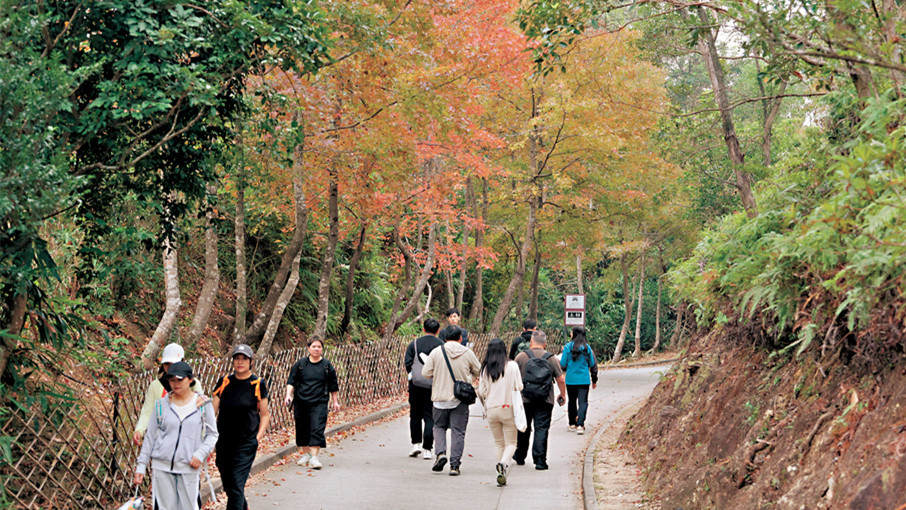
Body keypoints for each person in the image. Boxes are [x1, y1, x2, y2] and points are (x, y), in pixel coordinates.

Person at [133, 361, 218, 510]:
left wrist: (200, 454)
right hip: (161, 468)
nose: (175, 383)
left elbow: (212, 435)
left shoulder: (203, 404)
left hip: (188, 468)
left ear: (190, 379)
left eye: (180, 379)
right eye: (172, 380)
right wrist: (141, 466)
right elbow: (150, 438)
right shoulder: (161, 405)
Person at [212, 344, 270, 510]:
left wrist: (257, 438)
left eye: (244, 359)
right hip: (224, 442)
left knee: (237, 483)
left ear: (251, 362)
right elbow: (211, 412)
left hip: (246, 443)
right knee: (230, 484)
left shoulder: (258, 384)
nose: (240, 362)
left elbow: (265, 415)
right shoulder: (224, 382)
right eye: (237, 358)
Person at [421, 325, 481, 476]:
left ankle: (440, 454)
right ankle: (454, 466)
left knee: (439, 427)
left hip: (440, 398)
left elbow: (425, 373)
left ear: (444, 338)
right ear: (461, 338)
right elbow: (479, 370)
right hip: (460, 399)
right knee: (458, 431)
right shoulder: (467, 353)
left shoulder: (436, 352)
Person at [513, 330, 566, 470]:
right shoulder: (551, 358)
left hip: (525, 399)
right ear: (545, 343)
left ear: (531, 342)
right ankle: (540, 461)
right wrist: (562, 394)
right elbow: (560, 379)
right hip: (545, 400)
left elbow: (513, 377)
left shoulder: (521, 357)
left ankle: (520, 456)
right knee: (541, 428)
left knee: (524, 427)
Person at [285, 339, 341, 470]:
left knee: (317, 428)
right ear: (308, 348)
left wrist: (335, 401)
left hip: (319, 402)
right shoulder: (300, 365)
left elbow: (333, 385)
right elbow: (291, 381)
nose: (316, 349)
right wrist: (288, 395)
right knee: (302, 428)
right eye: (314, 346)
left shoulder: (326, 365)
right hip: (301, 401)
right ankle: (306, 455)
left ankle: (314, 458)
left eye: (319, 347)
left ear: (322, 349)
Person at [133, 343, 204, 445]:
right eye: (167, 364)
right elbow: (148, 411)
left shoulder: (193, 384)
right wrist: (140, 430)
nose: (170, 367)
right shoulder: (156, 386)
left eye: (174, 363)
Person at [477, 338, 523, 487]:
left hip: (491, 409)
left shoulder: (485, 369)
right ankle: (503, 463)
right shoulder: (512, 366)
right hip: (508, 408)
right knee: (511, 443)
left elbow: (482, 391)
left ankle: (499, 473)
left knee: (498, 443)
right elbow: (519, 386)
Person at [404, 318, 444, 459]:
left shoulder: (414, 344)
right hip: (434, 385)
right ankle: (428, 449)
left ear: (423, 329)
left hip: (416, 385)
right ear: (438, 330)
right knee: (430, 416)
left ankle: (416, 444)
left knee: (415, 415)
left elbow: (408, 362)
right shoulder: (441, 345)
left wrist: (413, 374)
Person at [560, 326, 598, 434]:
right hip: (584, 380)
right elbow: (592, 364)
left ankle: (572, 424)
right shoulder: (587, 348)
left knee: (572, 401)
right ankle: (580, 425)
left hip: (571, 380)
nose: (570, 334)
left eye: (572, 332)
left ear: (575, 334)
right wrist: (594, 380)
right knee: (583, 402)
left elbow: (562, 364)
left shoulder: (568, 347)